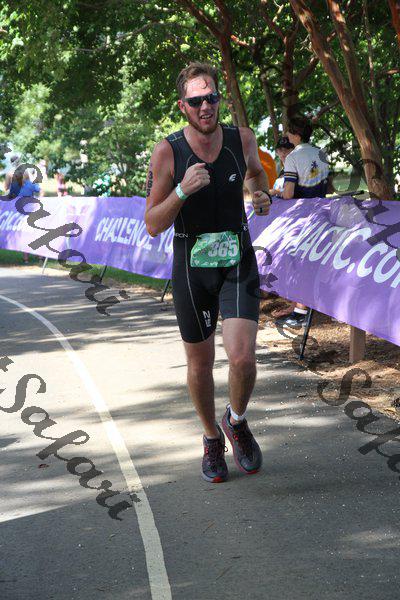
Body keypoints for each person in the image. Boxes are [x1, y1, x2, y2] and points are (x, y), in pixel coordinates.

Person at [145, 62, 271, 483]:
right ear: (183, 105)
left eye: (211, 98)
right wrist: (183, 189)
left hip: (237, 258)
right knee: (200, 365)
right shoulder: (168, 151)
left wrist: (260, 194)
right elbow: (153, 223)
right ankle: (211, 437)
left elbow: (256, 174)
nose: (205, 107)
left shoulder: (242, 139)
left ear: (219, 100)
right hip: (191, 266)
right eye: (196, 100)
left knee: (243, 358)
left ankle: (236, 421)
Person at [276, 116, 332, 328]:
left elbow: (289, 193)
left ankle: (300, 312)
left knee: (298, 261)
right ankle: (304, 307)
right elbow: (328, 186)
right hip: (322, 212)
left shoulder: (293, 157)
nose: (287, 135)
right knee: (311, 260)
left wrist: (277, 194)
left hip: (302, 215)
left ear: (297, 135)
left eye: (289, 131)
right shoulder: (321, 152)